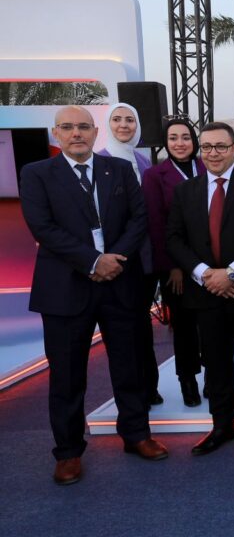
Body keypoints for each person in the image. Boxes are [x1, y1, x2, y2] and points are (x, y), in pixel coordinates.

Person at [20, 105, 168, 485]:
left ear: (94, 132)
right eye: (68, 127)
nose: (77, 133)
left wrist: (113, 259)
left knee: (129, 365)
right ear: (56, 133)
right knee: (67, 376)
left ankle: (136, 434)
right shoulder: (37, 174)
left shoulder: (117, 169)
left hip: (119, 282)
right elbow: (43, 228)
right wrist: (93, 261)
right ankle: (68, 452)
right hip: (65, 288)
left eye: (84, 126)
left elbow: (139, 218)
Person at [166, 121, 234, 455]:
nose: (213, 153)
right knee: (215, 365)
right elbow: (174, 238)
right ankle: (222, 426)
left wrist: (232, 273)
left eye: (220, 146)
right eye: (207, 147)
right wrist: (205, 274)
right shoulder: (185, 191)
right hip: (205, 294)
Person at [98, 102, 161, 406]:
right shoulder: (99, 160)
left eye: (130, 120)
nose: (124, 125)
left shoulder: (142, 160)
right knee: (125, 330)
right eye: (117, 119)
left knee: (142, 324)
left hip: (145, 259)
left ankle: (149, 387)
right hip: (117, 259)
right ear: (107, 125)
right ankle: (135, 394)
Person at [141, 118, 206, 407]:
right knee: (184, 327)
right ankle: (188, 381)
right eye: (173, 138)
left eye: (186, 137)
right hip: (177, 268)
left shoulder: (207, 167)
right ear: (166, 143)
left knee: (212, 326)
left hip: (211, 266)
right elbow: (157, 225)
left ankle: (214, 378)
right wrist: (173, 267)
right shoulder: (155, 175)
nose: (180, 143)